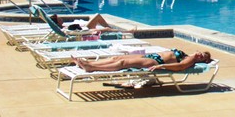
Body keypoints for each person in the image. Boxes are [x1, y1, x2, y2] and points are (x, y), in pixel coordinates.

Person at [73, 49, 212, 72]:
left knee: (123, 64)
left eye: (203, 57)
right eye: (201, 53)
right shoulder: (187, 54)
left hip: (156, 62)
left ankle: (92, 68)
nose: (200, 55)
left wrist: (162, 67)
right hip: (152, 56)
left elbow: (180, 67)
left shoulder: (191, 60)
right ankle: (89, 63)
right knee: (117, 58)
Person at [50, 13, 121, 34]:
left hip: (84, 28)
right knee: (97, 16)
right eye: (59, 18)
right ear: (57, 21)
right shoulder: (63, 28)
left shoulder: (60, 27)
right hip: (85, 30)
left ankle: (110, 29)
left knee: (94, 18)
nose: (61, 18)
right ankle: (111, 29)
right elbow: (74, 31)